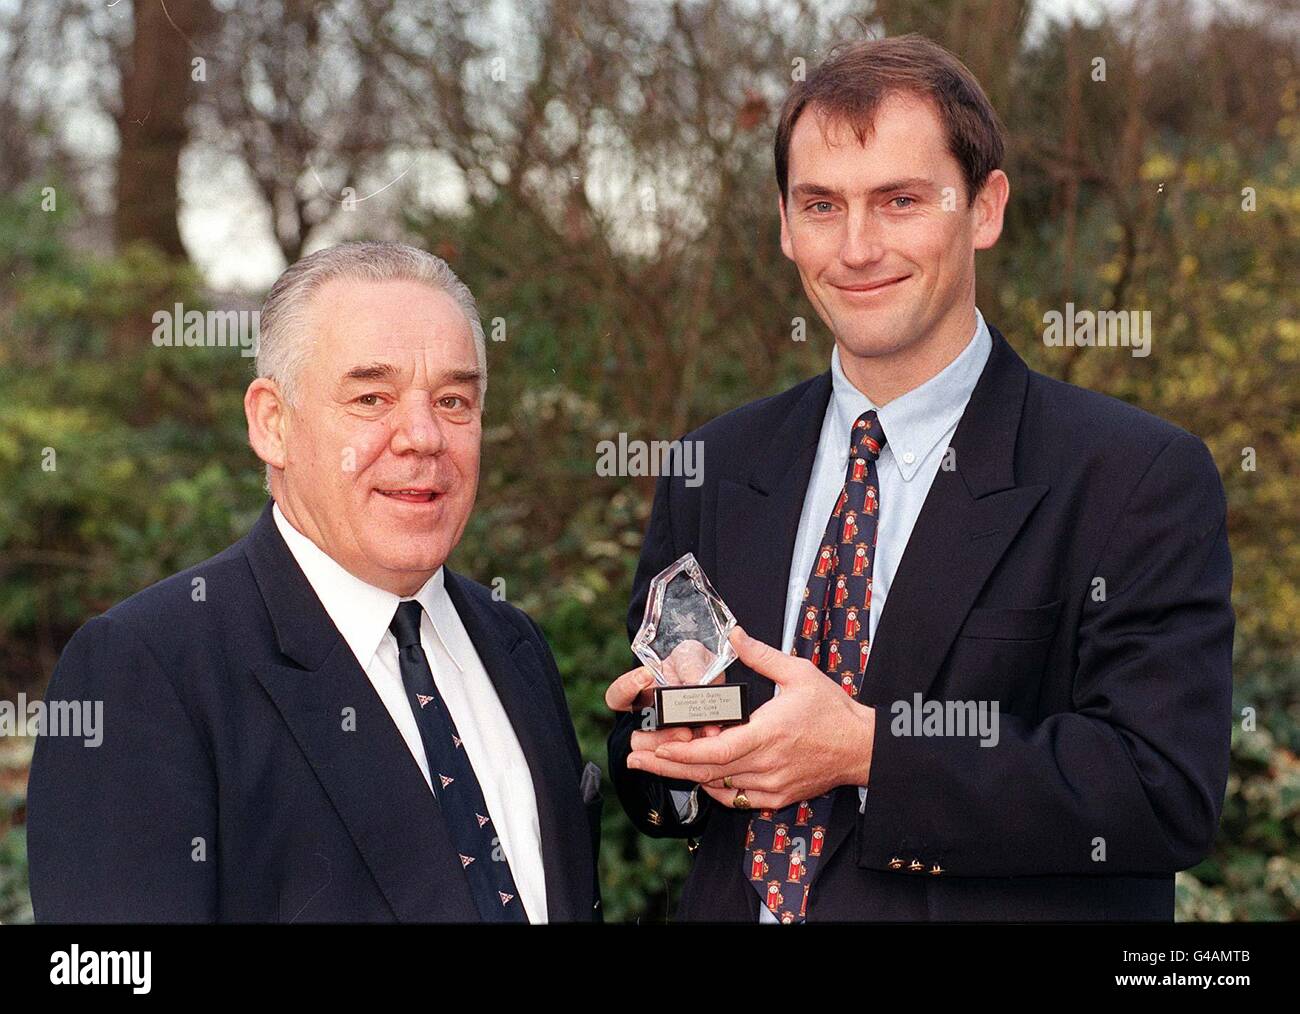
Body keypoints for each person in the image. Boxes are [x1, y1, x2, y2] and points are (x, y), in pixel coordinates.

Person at [606, 35, 1233, 922]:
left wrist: (869, 751)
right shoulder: (713, 466)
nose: (857, 247)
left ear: (986, 208)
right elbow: (662, 770)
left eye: (899, 201)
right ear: (784, 225)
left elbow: (1161, 790)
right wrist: (669, 745)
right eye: (821, 205)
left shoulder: (1133, 478)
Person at [27, 241, 602, 922]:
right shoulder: (150, 672)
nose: (422, 437)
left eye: (453, 400)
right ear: (272, 423)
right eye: (371, 397)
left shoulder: (515, 645)